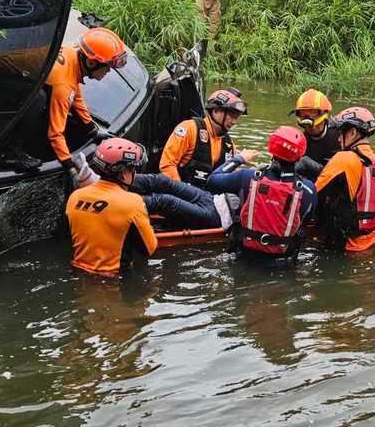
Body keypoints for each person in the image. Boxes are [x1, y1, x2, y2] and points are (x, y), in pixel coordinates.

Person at [207, 126, 317, 259]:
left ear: (271, 149)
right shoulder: (308, 189)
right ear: (300, 156)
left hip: (244, 258)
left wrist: (238, 159)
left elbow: (212, 181)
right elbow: (303, 224)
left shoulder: (247, 177)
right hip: (282, 265)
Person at [66, 137, 158, 278]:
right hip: (114, 280)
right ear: (123, 173)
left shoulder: (75, 197)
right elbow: (149, 248)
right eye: (133, 168)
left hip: (78, 273)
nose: (134, 172)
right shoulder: (133, 203)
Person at [47, 27, 127, 170]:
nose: (109, 71)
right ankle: (11, 152)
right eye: (107, 67)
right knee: (39, 100)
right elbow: (55, 134)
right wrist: (70, 167)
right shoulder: (63, 86)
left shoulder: (71, 56)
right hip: (7, 78)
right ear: (91, 62)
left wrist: (93, 130)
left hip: (31, 76)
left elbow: (76, 97)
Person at [315, 107, 375, 253]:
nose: (337, 138)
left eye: (340, 133)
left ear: (352, 132)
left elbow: (313, 195)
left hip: (341, 246)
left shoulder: (344, 158)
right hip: (369, 242)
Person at [159, 88, 253, 188]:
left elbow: (230, 177)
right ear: (216, 110)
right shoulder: (189, 129)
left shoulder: (229, 145)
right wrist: (182, 192)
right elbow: (167, 165)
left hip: (210, 199)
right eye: (231, 115)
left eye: (237, 117)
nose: (234, 121)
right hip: (182, 196)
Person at [290, 88, 341, 179]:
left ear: (325, 115)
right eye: (303, 114)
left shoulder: (340, 136)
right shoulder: (299, 141)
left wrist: (316, 167)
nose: (312, 127)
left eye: (314, 114)